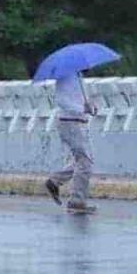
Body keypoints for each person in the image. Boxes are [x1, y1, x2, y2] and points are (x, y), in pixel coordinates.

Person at [45, 72, 98, 212]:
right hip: (70, 122)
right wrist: (81, 109)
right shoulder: (65, 77)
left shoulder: (78, 76)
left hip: (77, 122)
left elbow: (79, 99)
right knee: (85, 161)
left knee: (81, 160)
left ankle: (54, 181)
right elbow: (61, 101)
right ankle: (77, 201)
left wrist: (90, 107)